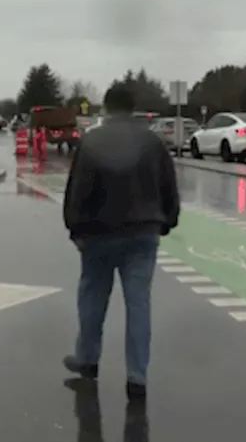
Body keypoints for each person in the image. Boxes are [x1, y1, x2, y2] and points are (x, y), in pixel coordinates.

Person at [61, 84, 179, 402]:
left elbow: (78, 189)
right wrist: (167, 220)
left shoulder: (93, 141)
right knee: (139, 304)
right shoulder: (152, 142)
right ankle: (137, 376)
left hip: (98, 234)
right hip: (143, 233)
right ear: (133, 107)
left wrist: (75, 228)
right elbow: (169, 185)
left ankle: (87, 359)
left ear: (107, 108)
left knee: (92, 298)